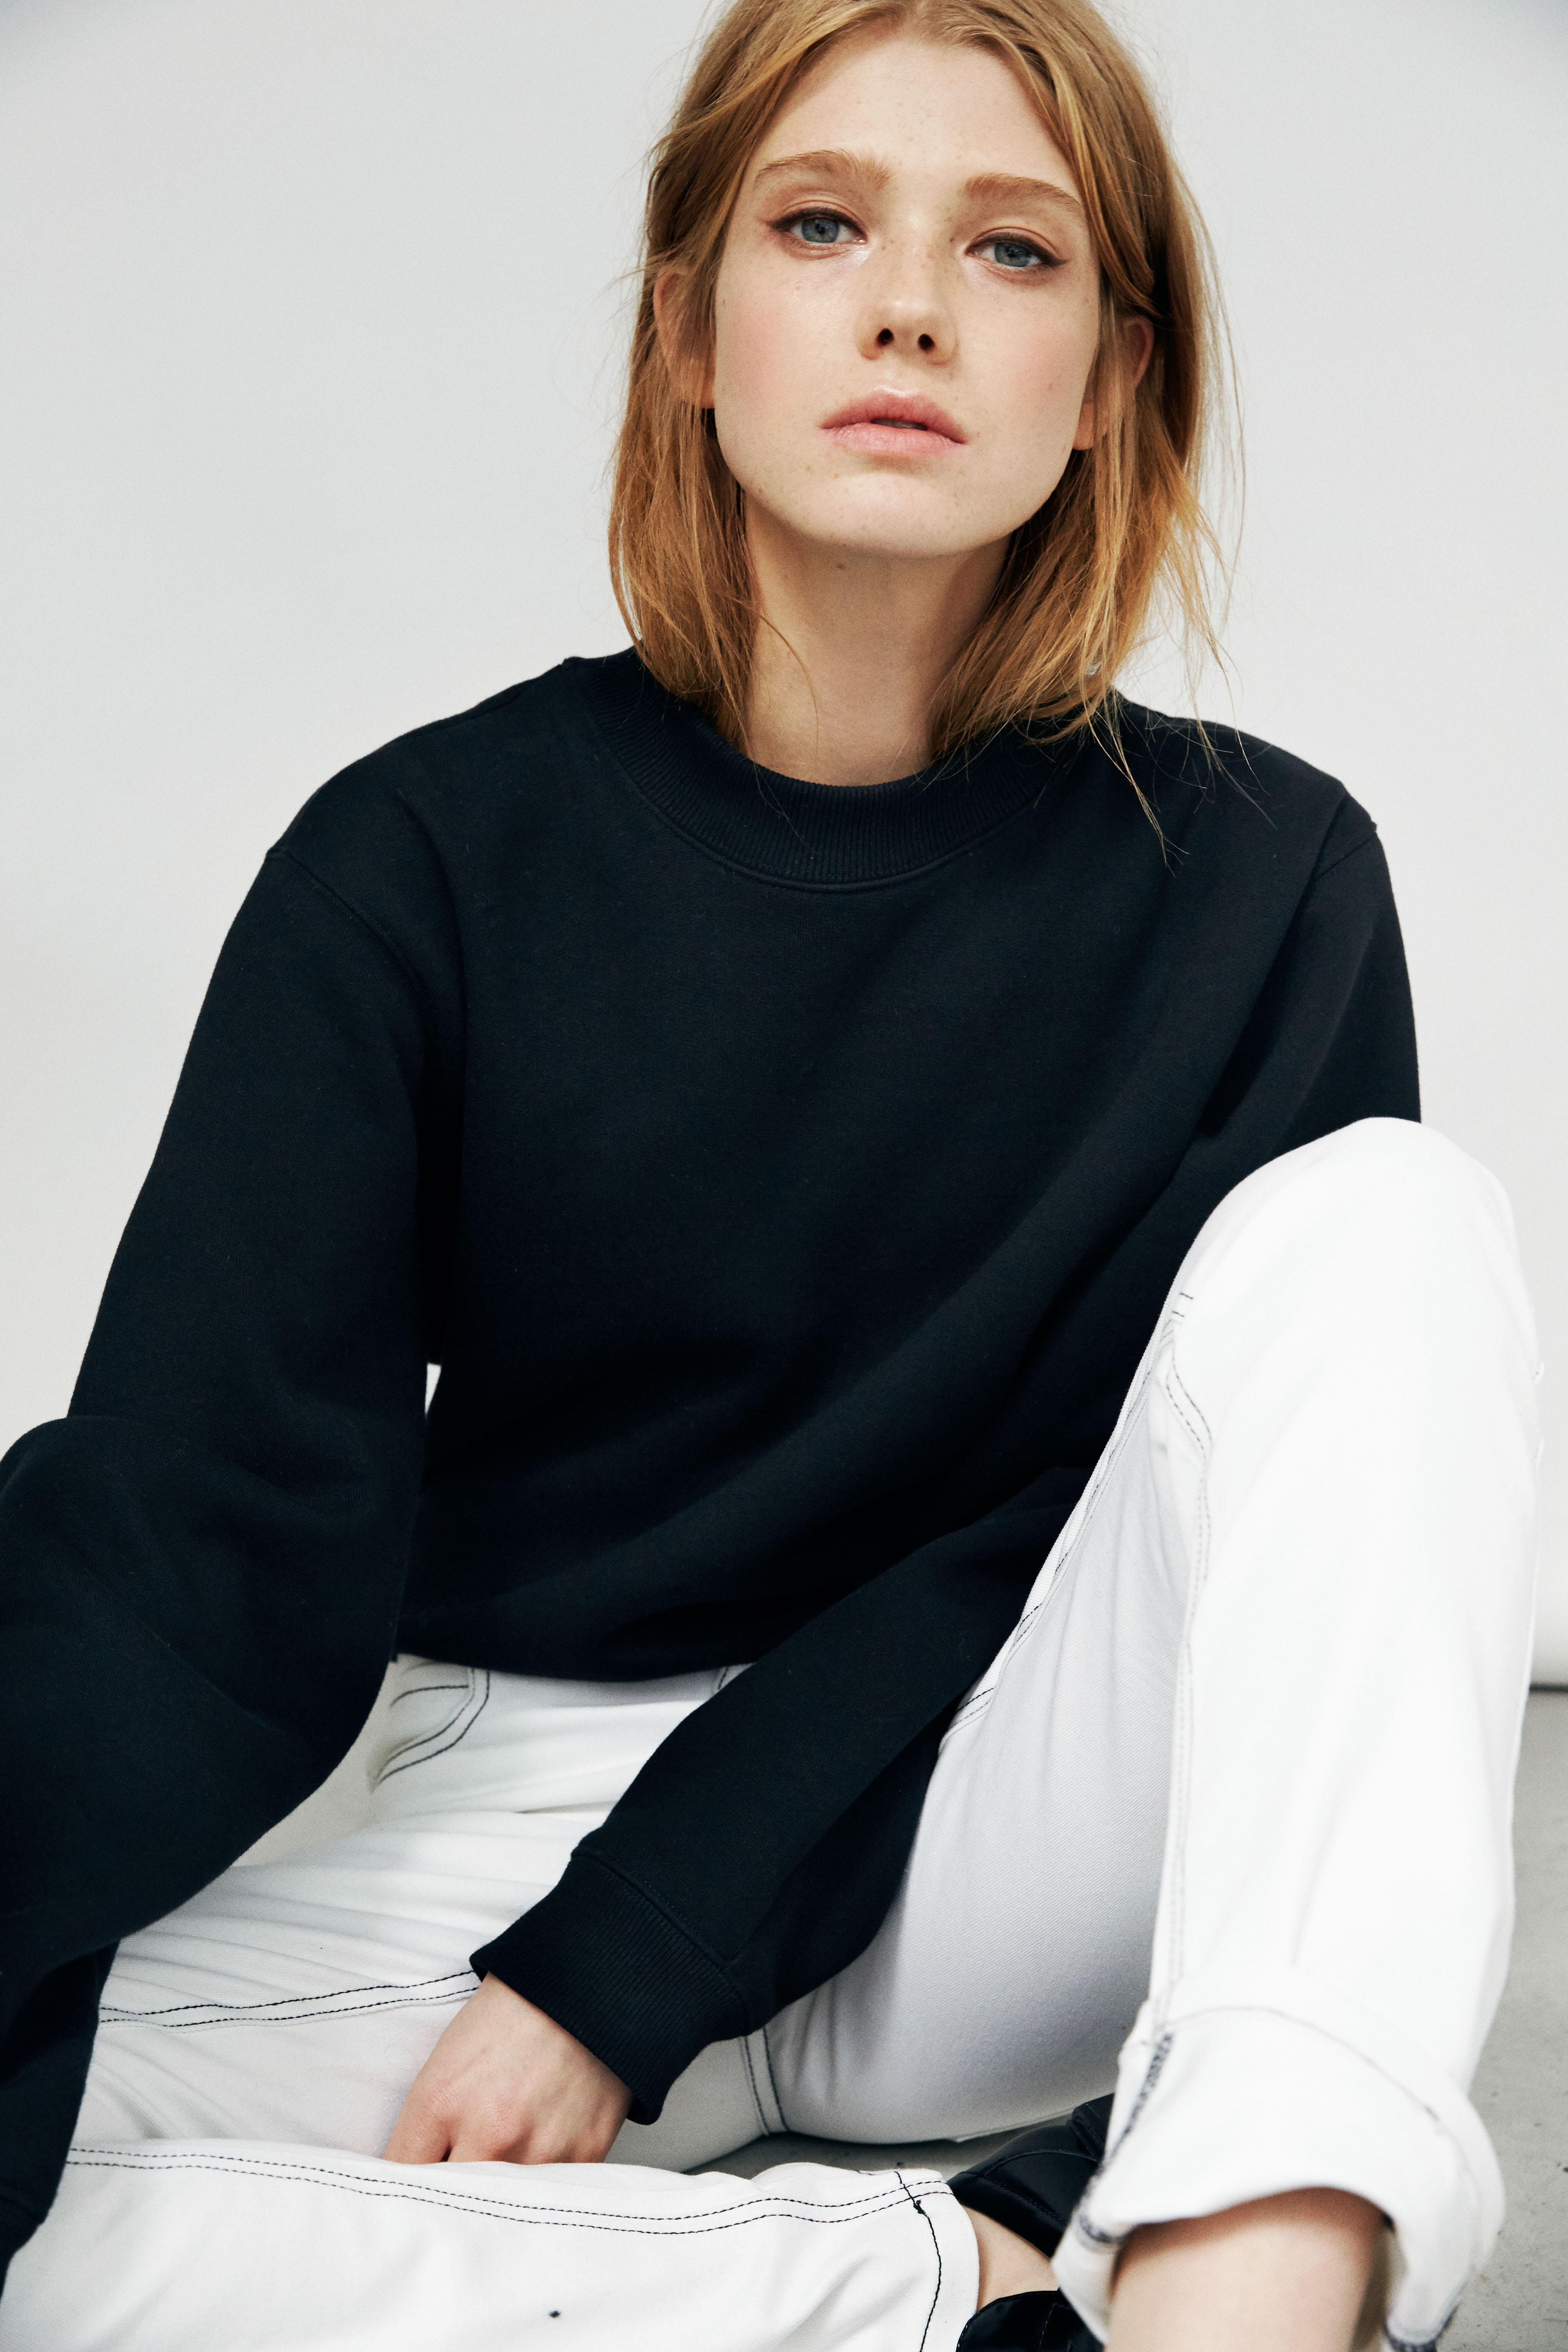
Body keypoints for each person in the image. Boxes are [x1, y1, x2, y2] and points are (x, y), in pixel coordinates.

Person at [0, 0, 1540, 2346]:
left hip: (980, 1824)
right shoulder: (419, 862)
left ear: (1110, 378)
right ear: (688, 333)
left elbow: (1075, 1516)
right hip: (496, 1801)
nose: (910, 305)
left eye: (1010, 250)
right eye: (821, 227)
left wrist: (630, 1960)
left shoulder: (1266, 877)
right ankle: (940, 2290)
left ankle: (1254, 2271)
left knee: (1396, 1226)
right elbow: (194, 1537)